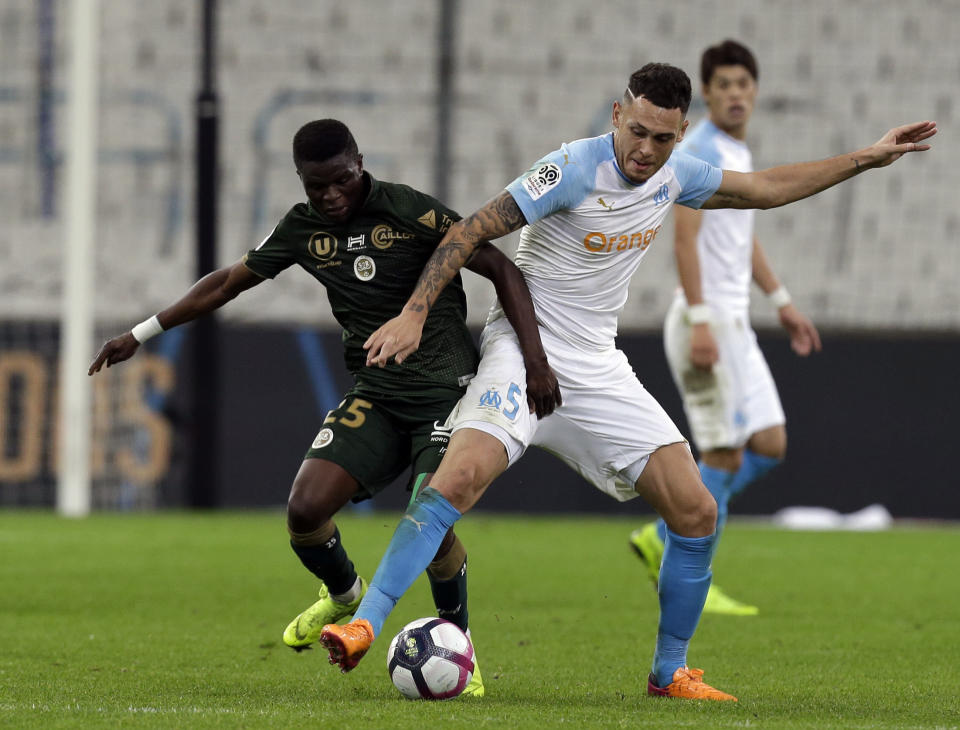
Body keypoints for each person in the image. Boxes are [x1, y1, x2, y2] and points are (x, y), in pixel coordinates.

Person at [318, 65, 936, 701]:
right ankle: (367, 623)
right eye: (636, 131)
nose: (645, 150)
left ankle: (669, 673)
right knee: (459, 479)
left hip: (596, 364)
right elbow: (469, 229)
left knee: (697, 511)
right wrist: (415, 312)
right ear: (617, 114)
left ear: (681, 134)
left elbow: (768, 188)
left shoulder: (678, 174)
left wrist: (866, 157)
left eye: (662, 139)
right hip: (523, 350)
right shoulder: (570, 168)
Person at [87, 119, 562, 699]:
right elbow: (228, 282)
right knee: (304, 511)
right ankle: (343, 594)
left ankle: (459, 647)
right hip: (377, 392)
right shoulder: (303, 228)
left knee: (430, 523)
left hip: (444, 388)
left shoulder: (408, 210)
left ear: (360, 163)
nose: (331, 195)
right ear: (301, 181)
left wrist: (535, 363)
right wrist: (143, 330)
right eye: (318, 187)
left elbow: (503, 268)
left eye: (342, 180)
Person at [629, 41, 821, 617]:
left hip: (735, 319)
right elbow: (684, 239)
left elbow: (744, 234)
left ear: (754, 91)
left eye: (745, 84)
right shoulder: (699, 148)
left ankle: (662, 537)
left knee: (769, 444)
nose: (737, 94)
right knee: (724, 454)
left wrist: (781, 300)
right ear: (707, 94)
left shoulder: (737, 148)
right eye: (726, 85)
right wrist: (702, 318)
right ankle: (690, 567)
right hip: (706, 319)